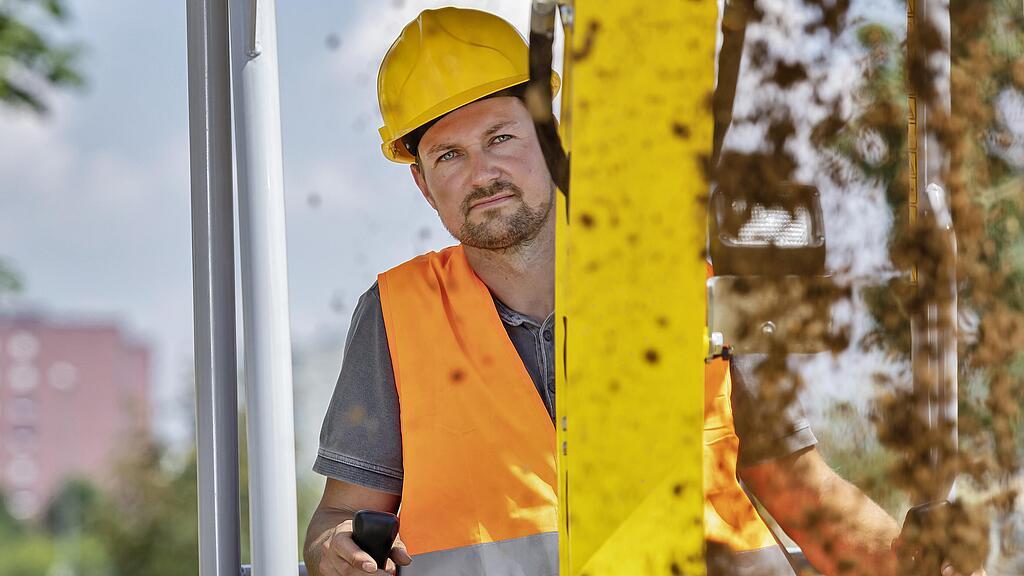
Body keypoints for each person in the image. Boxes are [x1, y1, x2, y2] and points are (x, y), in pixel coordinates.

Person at [303, 7, 979, 576]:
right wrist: (330, 548)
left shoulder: (695, 285)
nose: (483, 171)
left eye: (500, 137)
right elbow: (341, 512)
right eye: (448, 156)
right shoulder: (395, 314)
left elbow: (798, 484)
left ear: (549, 134)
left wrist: (907, 561)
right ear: (423, 183)